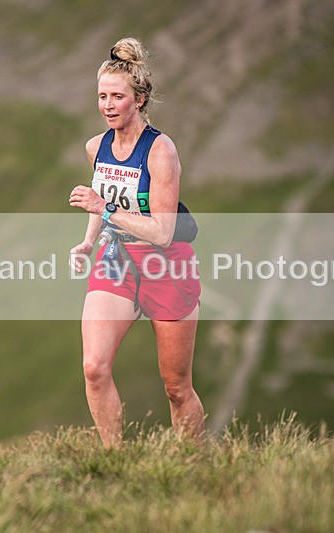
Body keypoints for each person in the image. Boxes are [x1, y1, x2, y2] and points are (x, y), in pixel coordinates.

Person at [68, 38, 204, 447]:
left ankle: (194, 467)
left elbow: (163, 232)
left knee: (176, 386)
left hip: (166, 264)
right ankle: (115, 461)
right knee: (94, 368)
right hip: (116, 257)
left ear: (139, 100)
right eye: (102, 97)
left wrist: (104, 208)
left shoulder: (160, 152)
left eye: (118, 97)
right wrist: (89, 242)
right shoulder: (97, 147)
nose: (108, 105)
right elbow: (101, 203)